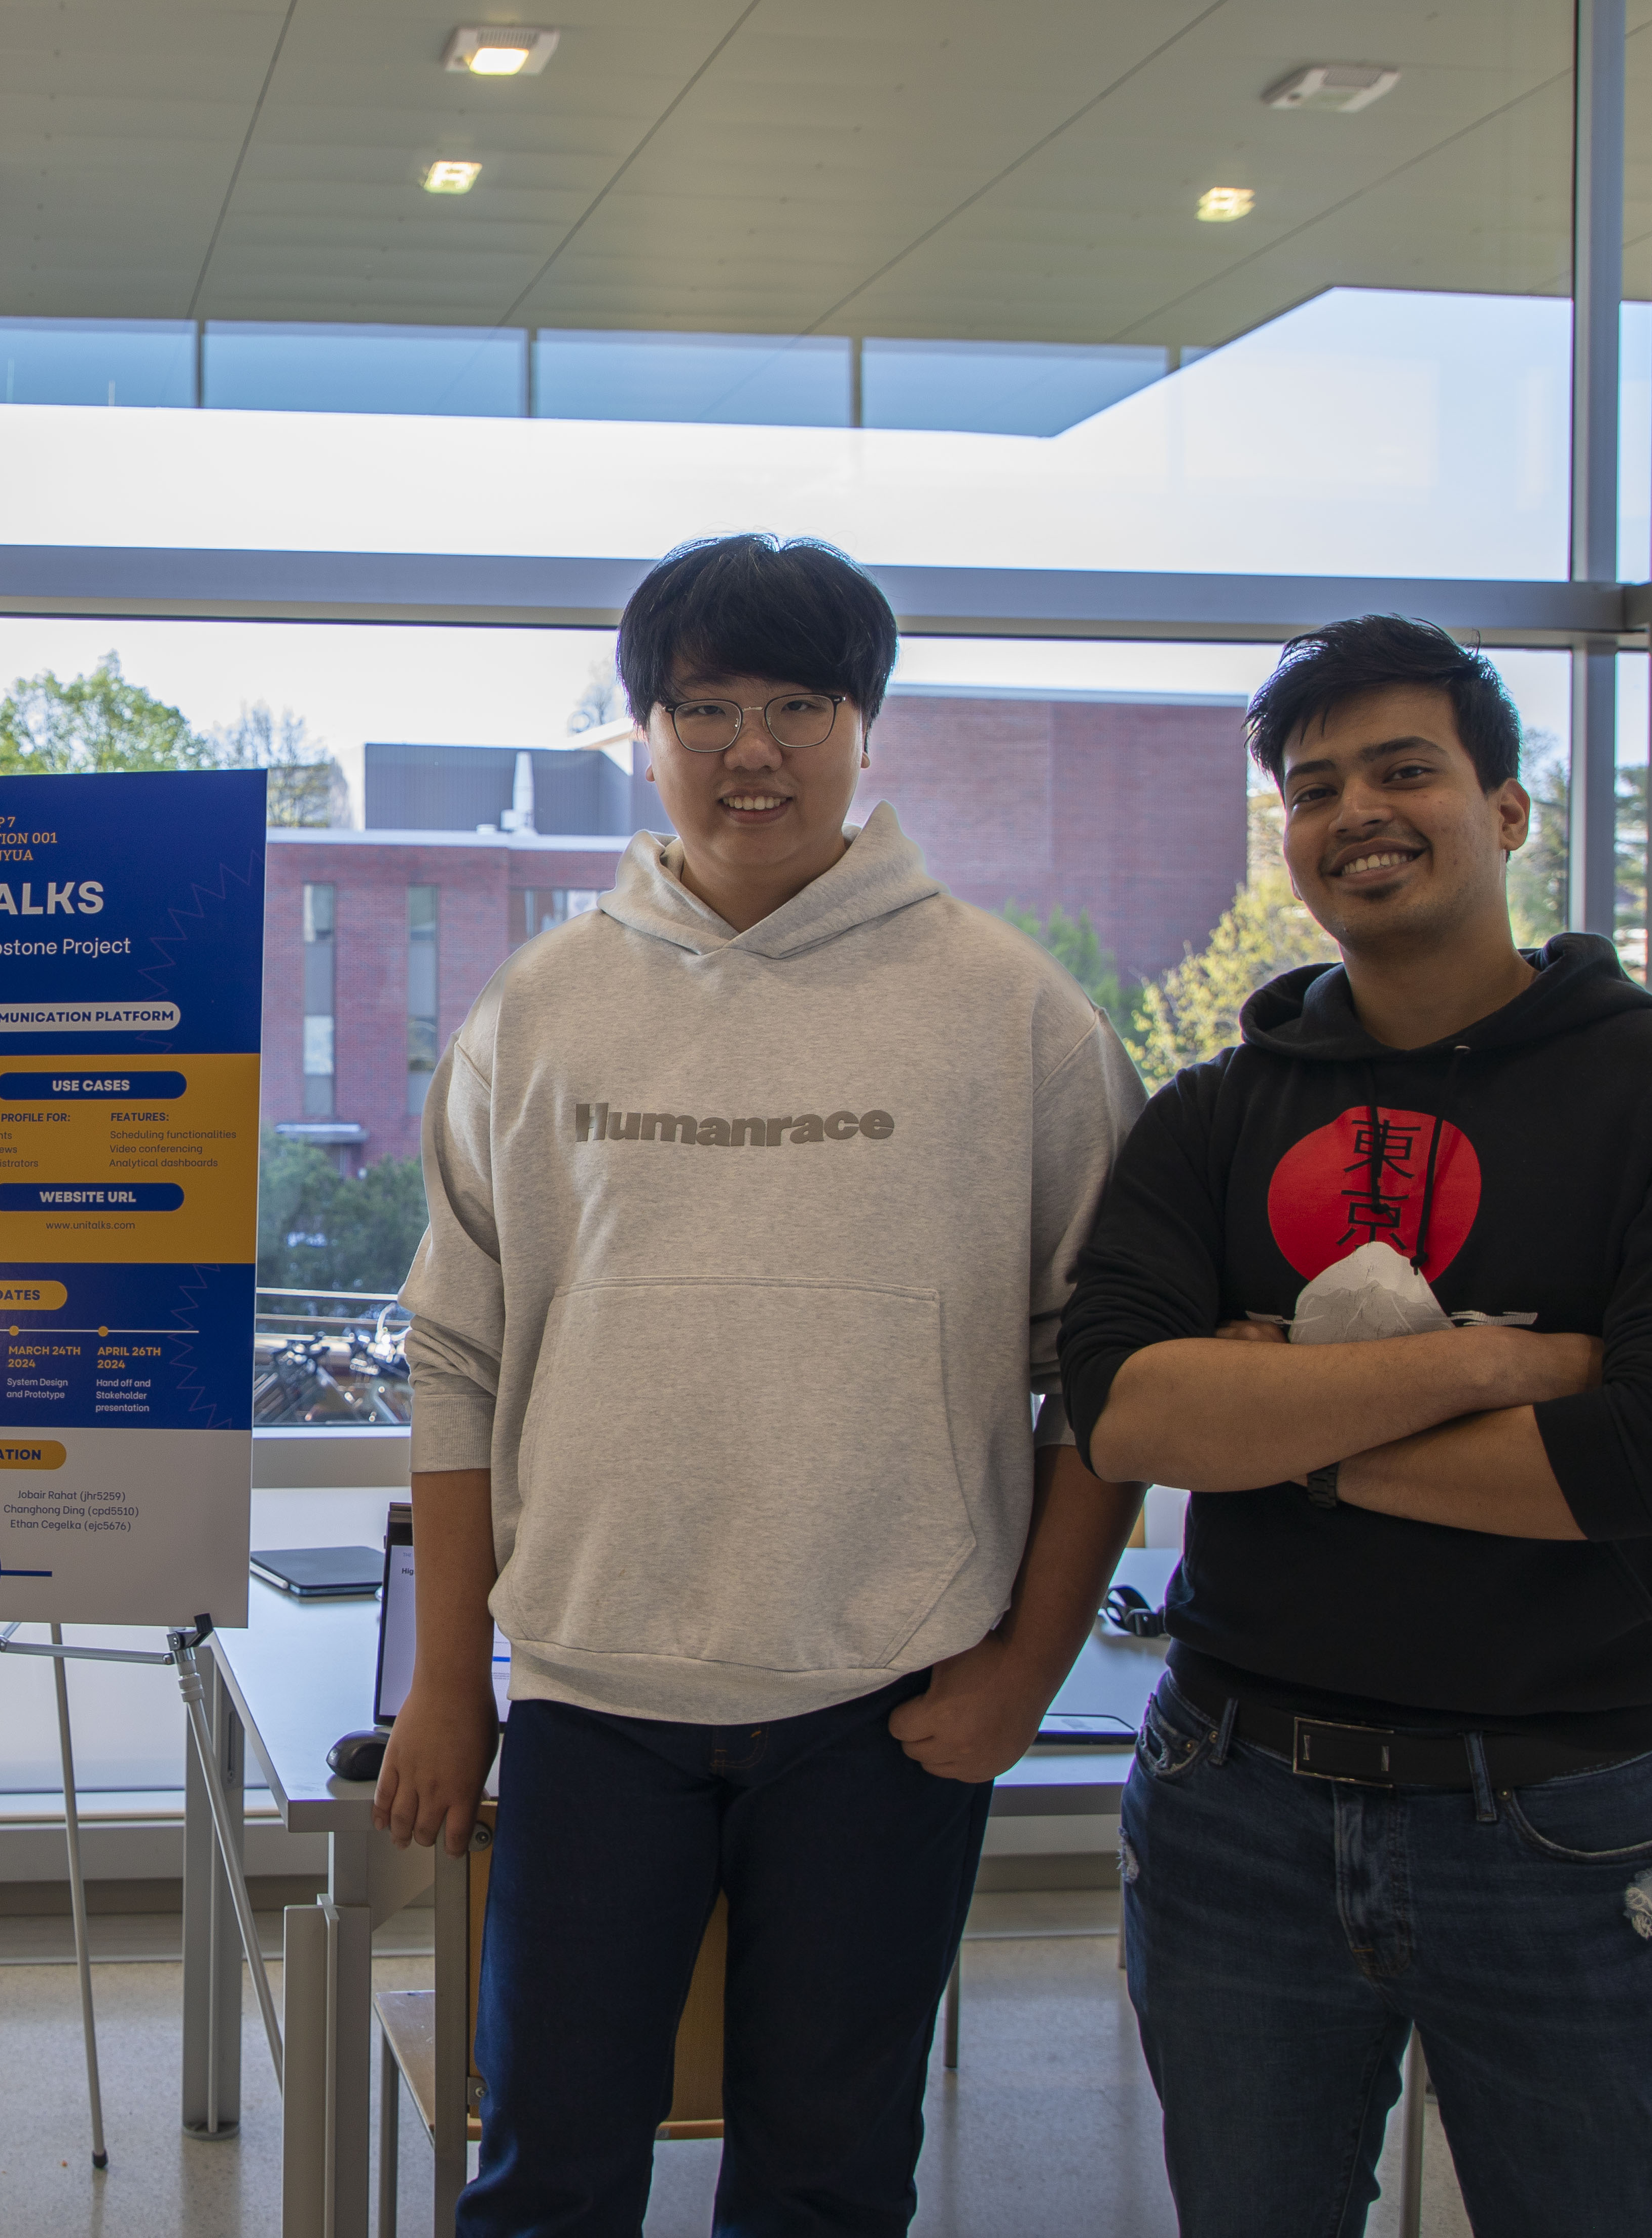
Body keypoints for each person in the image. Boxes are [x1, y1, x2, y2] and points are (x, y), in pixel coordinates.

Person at [375, 532, 1148, 2234]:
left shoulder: (1012, 1016)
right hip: (591, 1700)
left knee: (830, 2175)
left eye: (800, 702)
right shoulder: (541, 1010)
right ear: (642, 732)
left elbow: (1108, 1380)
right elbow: (456, 1352)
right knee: (545, 2171)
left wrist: (1029, 1668)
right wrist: (452, 1681)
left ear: (869, 728)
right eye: (706, 703)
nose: (753, 747)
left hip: (885, 1708)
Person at [1063, 615, 1652, 2238]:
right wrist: (1507, 1369)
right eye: (1317, 785)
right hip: (1233, 1799)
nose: (1361, 813)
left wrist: (1277, 1421)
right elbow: (1126, 1411)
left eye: (1406, 770)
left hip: (1568, 1814)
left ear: (1509, 810)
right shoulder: (1215, 1109)